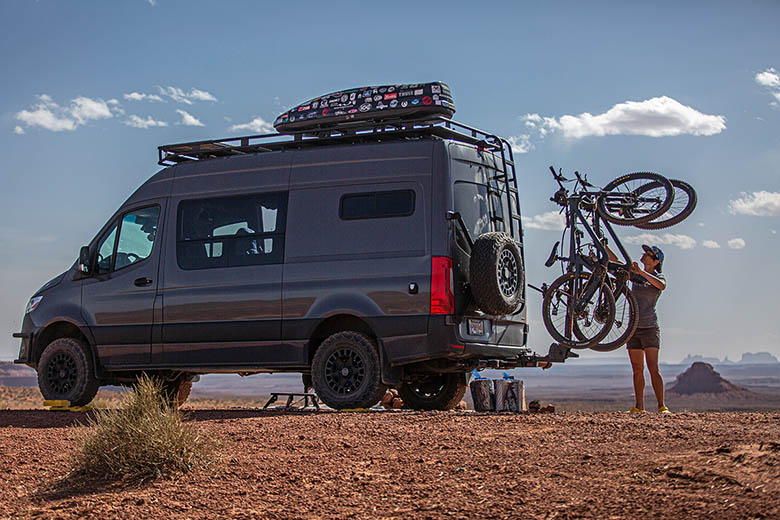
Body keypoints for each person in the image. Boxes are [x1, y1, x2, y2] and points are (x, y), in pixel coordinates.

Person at [627, 244, 670, 414]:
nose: (644, 255)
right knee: (637, 368)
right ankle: (639, 406)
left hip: (650, 327)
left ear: (656, 260)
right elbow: (615, 261)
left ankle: (662, 406)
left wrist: (641, 272)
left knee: (653, 367)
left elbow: (661, 285)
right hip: (633, 328)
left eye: (648, 254)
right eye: (644, 253)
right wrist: (605, 246)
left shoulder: (658, 276)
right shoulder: (636, 274)